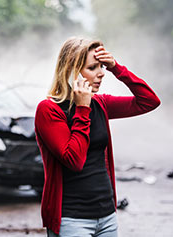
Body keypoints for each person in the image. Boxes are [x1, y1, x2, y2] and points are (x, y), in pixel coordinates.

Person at [34, 37, 160, 237]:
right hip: (71, 219)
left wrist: (117, 68)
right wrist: (82, 108)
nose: (101, 73)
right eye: (93, 68)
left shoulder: (100, 104)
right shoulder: (49, 110)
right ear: (71, 71)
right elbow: (74, 160)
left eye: (101, 66)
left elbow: (149, 101)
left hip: (107, 216)